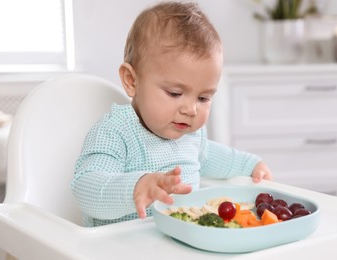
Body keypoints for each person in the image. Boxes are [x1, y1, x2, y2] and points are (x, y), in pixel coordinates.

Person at [71, 1, 272, 227]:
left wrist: (251, 165)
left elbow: (217, 157)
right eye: (175, 93)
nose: (191, 109)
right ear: (131, 81)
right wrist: (136, 187)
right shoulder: (115, 132)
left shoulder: (191, 137)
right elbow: (86, 188)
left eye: (203, 98)